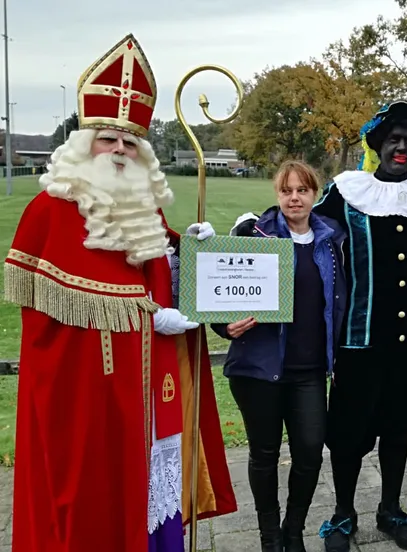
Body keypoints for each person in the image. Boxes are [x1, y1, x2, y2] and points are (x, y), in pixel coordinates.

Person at [3, 34, 237, 552]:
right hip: (86, 399)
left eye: (130, 143)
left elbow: (151, 265)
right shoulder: (50, 210)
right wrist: (146, 314)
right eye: (108, 139)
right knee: (95, 506)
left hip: (148, 389)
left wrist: (188, 255)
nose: (119, 151)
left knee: (150, 492)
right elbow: (59, 313)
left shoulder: (142, 209)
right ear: (85, 144)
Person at [313, 101, 407, 552]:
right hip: (359, 341)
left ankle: (391, 510)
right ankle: (343, 513)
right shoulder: (347, 192)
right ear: (378, 145)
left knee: (398, 430)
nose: (402, 148)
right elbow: (301, 223)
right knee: (348, 435)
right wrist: (246, 232)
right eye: (394, 140)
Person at [211, 161, 346, 552]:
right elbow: (222, 287)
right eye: (286, 190)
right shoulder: (253, 232)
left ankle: (293, 530)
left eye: (302, 190)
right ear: (277, 194)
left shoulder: (331, 239)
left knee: (309, 451)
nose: (294, 197)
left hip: (309, 371)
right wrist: (224, 327)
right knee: (264, 453)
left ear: (314, 194)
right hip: (259, 367)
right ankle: (270, 537)